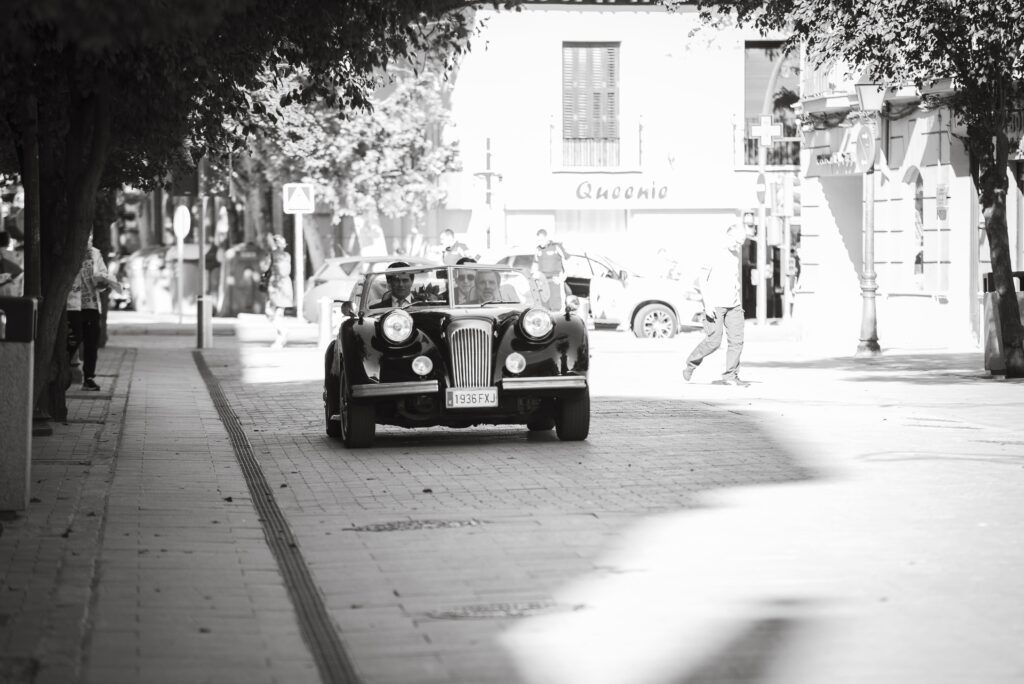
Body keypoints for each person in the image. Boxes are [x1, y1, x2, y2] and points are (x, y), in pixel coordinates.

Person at [682, 223, 747, 386]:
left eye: (741, 243)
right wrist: (708, 304)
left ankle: (731, 375)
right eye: (737, 241)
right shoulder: (713, 253)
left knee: (737, 341)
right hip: (715, 304)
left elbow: (734, 279)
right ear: (729, 235)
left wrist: (738, 297)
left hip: (734, 305)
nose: (739, 246)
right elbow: (702, 280)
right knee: (714, 341)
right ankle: (691, 363)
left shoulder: (735, 254)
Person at [67, 234, 120, 391]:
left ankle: (89, 377)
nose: (87, 239)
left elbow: (102, 272)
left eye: (89, 236)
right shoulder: (67, 251)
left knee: (91, 342)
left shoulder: (95, 252)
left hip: (91, 304)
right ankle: (62, 370)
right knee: (73, 338)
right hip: (72, 304)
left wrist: (104, 283)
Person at [261, 233, 293, 349]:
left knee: (269, 311)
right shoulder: (287, 255)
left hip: (275, 284)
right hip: (286, 285)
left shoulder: (272, 255)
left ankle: (283, 330)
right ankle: (279, 340)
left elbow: (264, 267)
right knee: (280, 312)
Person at [532, 228, 568, 310]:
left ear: (546, 238)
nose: (540, 242)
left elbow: (568, 262)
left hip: (555, 281)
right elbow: (535, 265)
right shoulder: (538, 249)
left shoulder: (556, 247)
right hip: (542, 282)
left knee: (556, 307)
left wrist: (562, 278)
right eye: (538, 240)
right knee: (544, 306)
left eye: (541, 240)